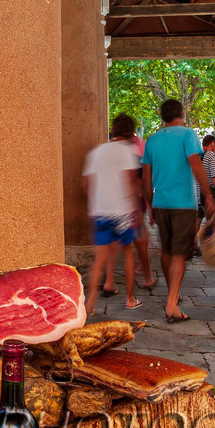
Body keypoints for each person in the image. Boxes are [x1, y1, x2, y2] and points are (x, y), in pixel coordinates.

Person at [142, 98, 214, 323]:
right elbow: (195, 164)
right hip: (183, 203)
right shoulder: (187, 135)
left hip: (161, 202)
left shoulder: (152, 140)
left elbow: (146, 176)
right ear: (181, 113)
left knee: (167, 251)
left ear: (162, 116)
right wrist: (208, 195)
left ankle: (173, 292)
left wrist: (150, 203)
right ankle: (171, 304)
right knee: (180, 254)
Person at [84, 114, 146, 311]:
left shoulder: (96, 152)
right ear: (130, 133)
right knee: (128, 251)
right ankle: (130, 299)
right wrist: (136, 209)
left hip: (100, 211)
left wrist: (95, 204)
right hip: (122, 212)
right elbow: (131, 183)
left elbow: (86, 183)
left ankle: (90, 303)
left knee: (99, 257)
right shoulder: (127, 153)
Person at [127, 126, 157, 294]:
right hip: (134, 204)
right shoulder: (137, 154)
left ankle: (146, 273)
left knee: (137, 238)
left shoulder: (133, 157)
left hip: (134, 204)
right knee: (136, 238)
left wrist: (149, 208)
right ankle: (145, 271)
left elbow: (142, 184)